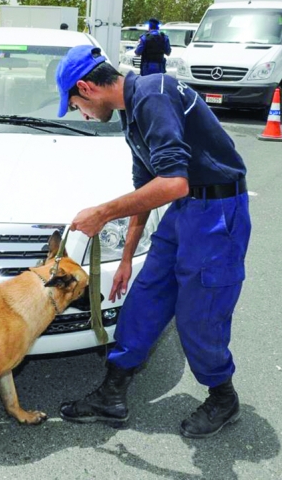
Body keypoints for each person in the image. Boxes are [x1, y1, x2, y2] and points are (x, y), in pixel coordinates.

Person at [54, 45, 251, 439]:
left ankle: (223, 397)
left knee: (199, 314)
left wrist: (102, 213)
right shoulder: (132, 115)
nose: (83, 115)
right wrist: (127, 258)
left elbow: (173, 181)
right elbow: (147, 189)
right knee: (144, 298)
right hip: (183, 212)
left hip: (217, 213)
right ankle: (112, 395)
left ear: (86, 87)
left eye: (76, 106)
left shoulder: (154, 93)